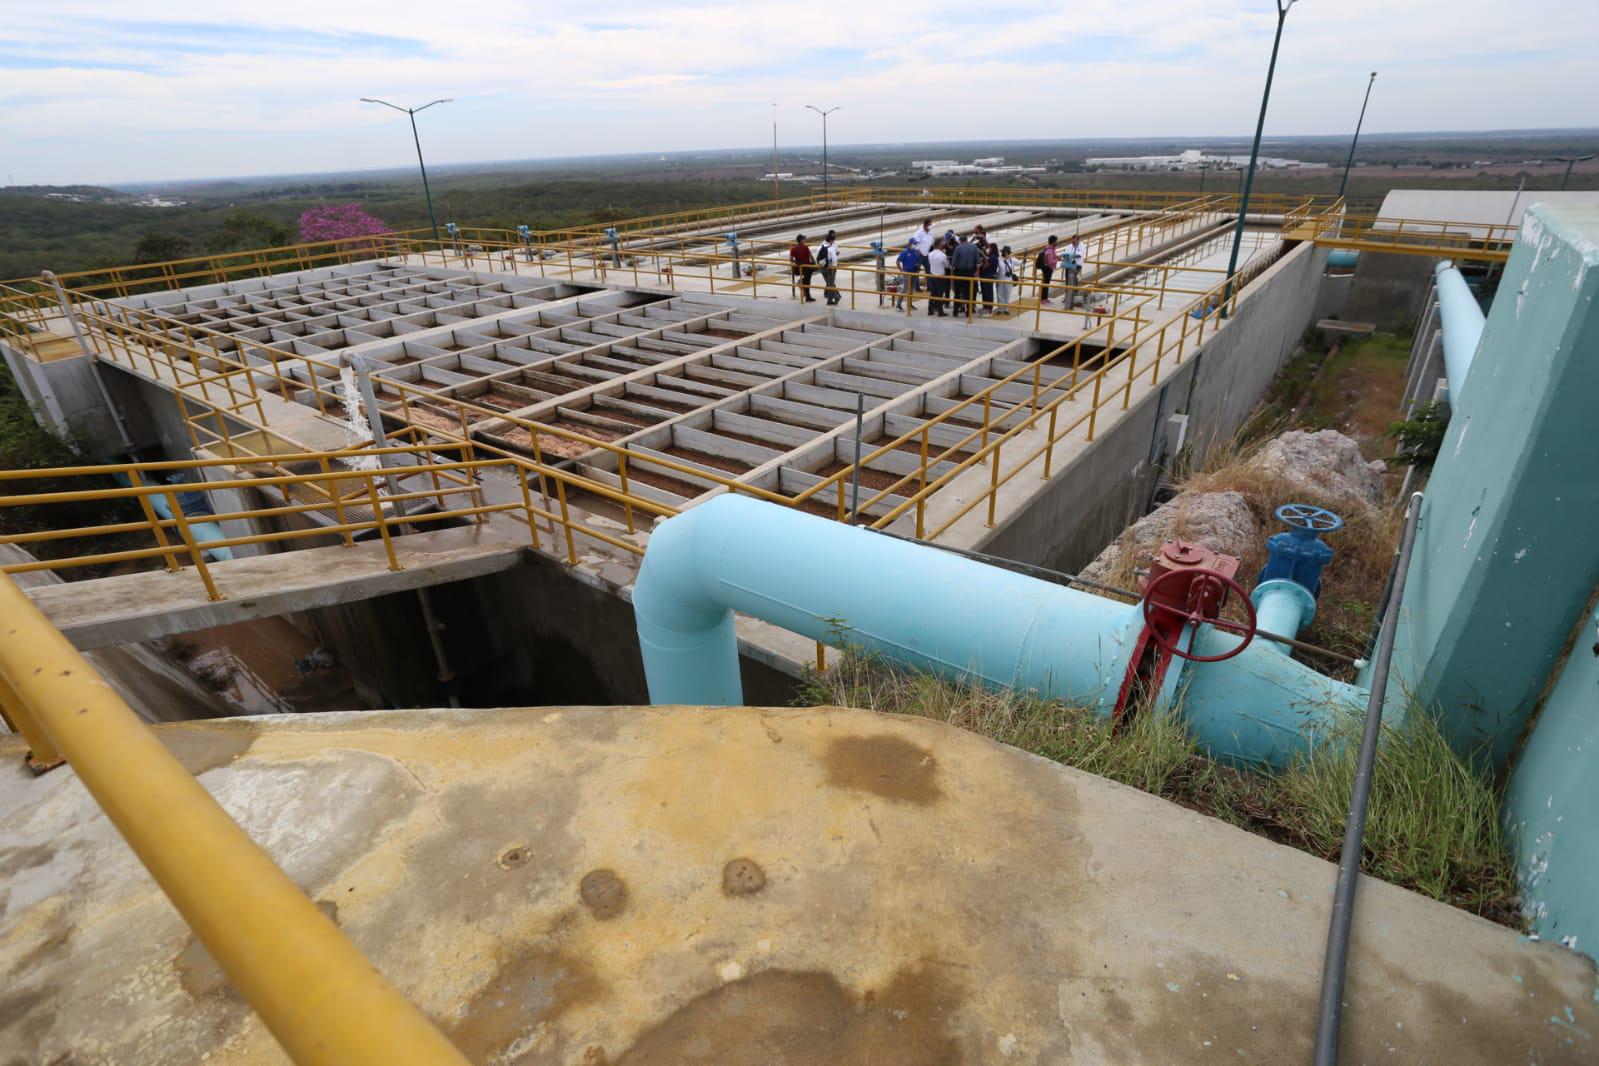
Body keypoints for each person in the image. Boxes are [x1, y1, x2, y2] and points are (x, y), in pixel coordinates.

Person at [950, 235, 982, 318]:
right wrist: (976, 272)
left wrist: (952, 276)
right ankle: (968, 312)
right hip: (970, 273)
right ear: (967, 240)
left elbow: (953, 263)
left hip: (959, 273)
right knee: (969, 294)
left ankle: (955, 311)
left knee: (957, 293)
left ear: (960, 240)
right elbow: (978, 262)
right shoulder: (974, 248)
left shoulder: (958, 248)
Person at [908, 220, 935, 293]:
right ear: (925, 225)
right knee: (916, 271)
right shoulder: (919, 233)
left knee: (929, 270)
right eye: (929, 224)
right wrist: (918, 251)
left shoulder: (930, 233)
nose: (930, 226)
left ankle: (930, 287)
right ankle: (917, 288)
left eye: (931, 224)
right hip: (919, 255)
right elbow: (914, 243)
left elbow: (932, 242)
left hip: (926, 254)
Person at [894, 238, 921, 310]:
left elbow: (918, 261)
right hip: (907, 273)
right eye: (914, 244)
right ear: (910, 244)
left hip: (914, 273)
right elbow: (897, 261)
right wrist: (901, 270)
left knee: (911, 289)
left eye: (916, 244)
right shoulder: (905, 252)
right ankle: (898, 305)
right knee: (905, 289)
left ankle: (910, 304)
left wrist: (918, 267)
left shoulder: (915, 252)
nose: (915, 245)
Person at [926, 238, 950, 316]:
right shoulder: (943, 255)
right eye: (942, 244)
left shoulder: (930, 254)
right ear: (939, 245)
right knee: (940, 294)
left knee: (933, 293)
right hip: (941, 276)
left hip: (932, 275)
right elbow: (946, 266)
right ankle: (940, 311)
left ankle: (930, 310)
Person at [817, 230, 841, 306]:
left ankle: (831, 299)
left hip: (822, 268)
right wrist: (834, 268)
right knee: (831, 284)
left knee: (829, 283)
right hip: (830, 269)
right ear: (831, 241)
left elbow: (816, 257)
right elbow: (834, 260)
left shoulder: (820, 246)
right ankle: (835, 297)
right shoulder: (831, 248)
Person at [789, 234, 816, 302]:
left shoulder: (793, 248)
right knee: (807, 281)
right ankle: (808, 296)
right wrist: (814, 263)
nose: (805, 240)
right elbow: (811, 257)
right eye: (804, 239)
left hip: (800, 268)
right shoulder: (805, 247)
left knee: (807, 280)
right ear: (801, 241)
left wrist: (796, 262)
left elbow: (791, 259)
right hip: (806, 267)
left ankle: (807, 294)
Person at [1062, 234, 1086, 308]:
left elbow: (1080, 255)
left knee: (1074, 280)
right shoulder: (1069, 246)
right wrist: (1070, 255)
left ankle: (1074, 297)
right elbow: (1065, 254)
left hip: (1077, 265)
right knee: (1067, 280)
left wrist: (1072, 255)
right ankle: (1067, 296)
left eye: (1074, 241)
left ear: (1078, 240)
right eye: (1072, 241)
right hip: (1068, 264)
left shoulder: (1082, 246)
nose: (1073, 242)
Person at [1035, 235, 1059, 305]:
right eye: (1056, 241)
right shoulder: (1050, 250)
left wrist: (1056, 257)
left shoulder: (1050, 249)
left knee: (1046, 283)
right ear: (1053, 242)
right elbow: (1051, 261)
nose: (1057, 242)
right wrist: (1057, 259)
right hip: (1047, 268)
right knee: (1046, 283)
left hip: (1047, 268)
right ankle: (1043, 299)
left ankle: (1045, 298)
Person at [995, 245, 1019, 316]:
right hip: (1000, 279)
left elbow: (1020, 263)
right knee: (999, 295)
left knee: (1007, 294)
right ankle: (999, 309)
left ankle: (1005, 309)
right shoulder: (999, 259)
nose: (1007, 254)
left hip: (1009, 280)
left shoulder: (1012, 260)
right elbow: (996, 269)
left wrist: (1023, 261)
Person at [978, 241, 998, 315]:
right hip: (984, 276)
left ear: (992, 249)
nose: (987, 249)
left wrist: (983, 256)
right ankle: (985, 306)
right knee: (984, 292)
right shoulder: (990, 256)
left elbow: (985, 266)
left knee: (988, 293)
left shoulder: (993, 258)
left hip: (988, 276)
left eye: (989, 248)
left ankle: (989, 308)